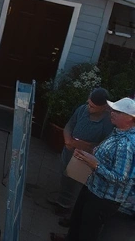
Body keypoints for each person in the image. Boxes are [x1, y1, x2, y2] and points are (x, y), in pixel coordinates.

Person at [52, 97, 135, 241]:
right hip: (92, 187)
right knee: (78, 221)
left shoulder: (126, 144)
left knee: (88, 232)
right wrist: (87, 156)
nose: (112, 113)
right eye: (113, 110)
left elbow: (121, 179)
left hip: (102, 198)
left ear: (129, 119)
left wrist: (95, 164)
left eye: (117, 111)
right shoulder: (118, 131)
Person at [50, 88, 115, 219]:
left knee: (75, 182)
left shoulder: (108, 122)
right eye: (89, 103)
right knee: (64, 175)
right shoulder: (82, 110)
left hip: (83, 157)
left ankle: (66, 206)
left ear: (104, 107)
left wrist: (86, 146)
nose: (88, 107)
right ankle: (61, 198)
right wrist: (68, 140)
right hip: (69, 151)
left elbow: (104, 144)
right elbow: (69, 125)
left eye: (92, 106)